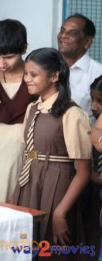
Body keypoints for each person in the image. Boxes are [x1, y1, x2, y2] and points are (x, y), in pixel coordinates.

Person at [13, 48, 90, 248]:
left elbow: (83, 172)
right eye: (25, 74)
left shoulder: (72, 114)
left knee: (52, 247)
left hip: (56, 186)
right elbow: (27, 152)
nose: (26, 79)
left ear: (54, 76)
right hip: (29, 181)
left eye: (33, 75)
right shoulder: (32, 108)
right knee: (27, 246)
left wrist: (60, 212)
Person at [0, 19, 35, 203]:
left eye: (8, 57)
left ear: (24, 48)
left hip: (26, 156)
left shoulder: (35, 80)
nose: (1, 63)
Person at [57, 13, 102, 114]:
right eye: (62, 30)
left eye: (72, 33)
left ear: (87, 42)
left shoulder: (99, 73)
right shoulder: (49, 68)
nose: (63, 36)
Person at [84, 75, 102, 258]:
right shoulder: (91, 123)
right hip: (93, 197)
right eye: (92, 99)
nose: (94, 106)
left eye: (100, 101)